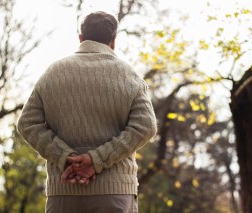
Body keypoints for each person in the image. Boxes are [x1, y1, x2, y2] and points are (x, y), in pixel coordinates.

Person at [17, 11, 157, 213]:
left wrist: (65, 158)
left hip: (63, 194)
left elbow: (27, 123)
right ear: (113, 40)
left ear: (81, 38)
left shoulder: (53, 73)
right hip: (114, 194)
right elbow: (146, 126)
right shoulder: (129, 75)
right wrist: (96, 160)